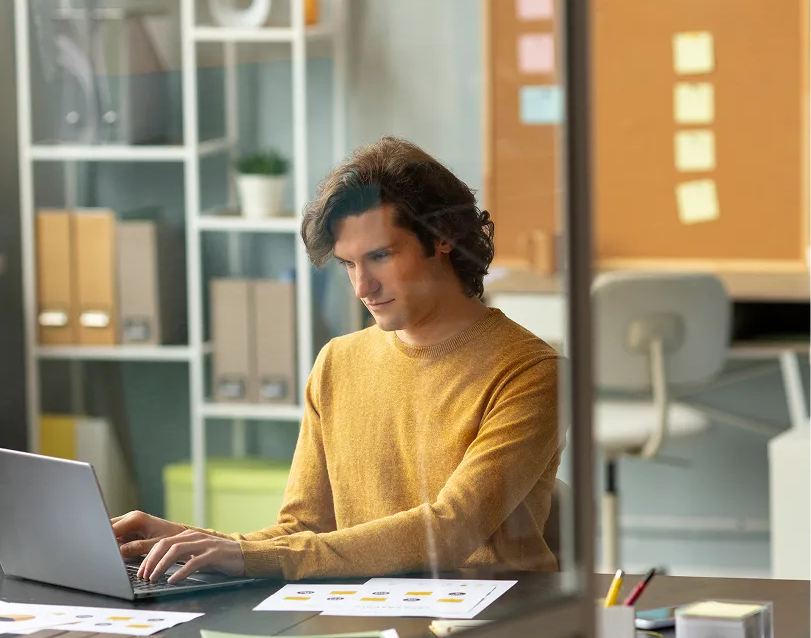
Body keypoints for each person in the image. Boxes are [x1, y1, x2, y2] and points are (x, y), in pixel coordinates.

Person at [113, 136, 563, 584]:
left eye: (380, 256)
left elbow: (451, 532)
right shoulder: (338, 361)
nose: (362, 287)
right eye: (348, 264)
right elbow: (302, 532)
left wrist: (243, 556)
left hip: (492, 621)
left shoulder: (531, 371)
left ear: (443, 236)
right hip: (370, 616)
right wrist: (195, 543)